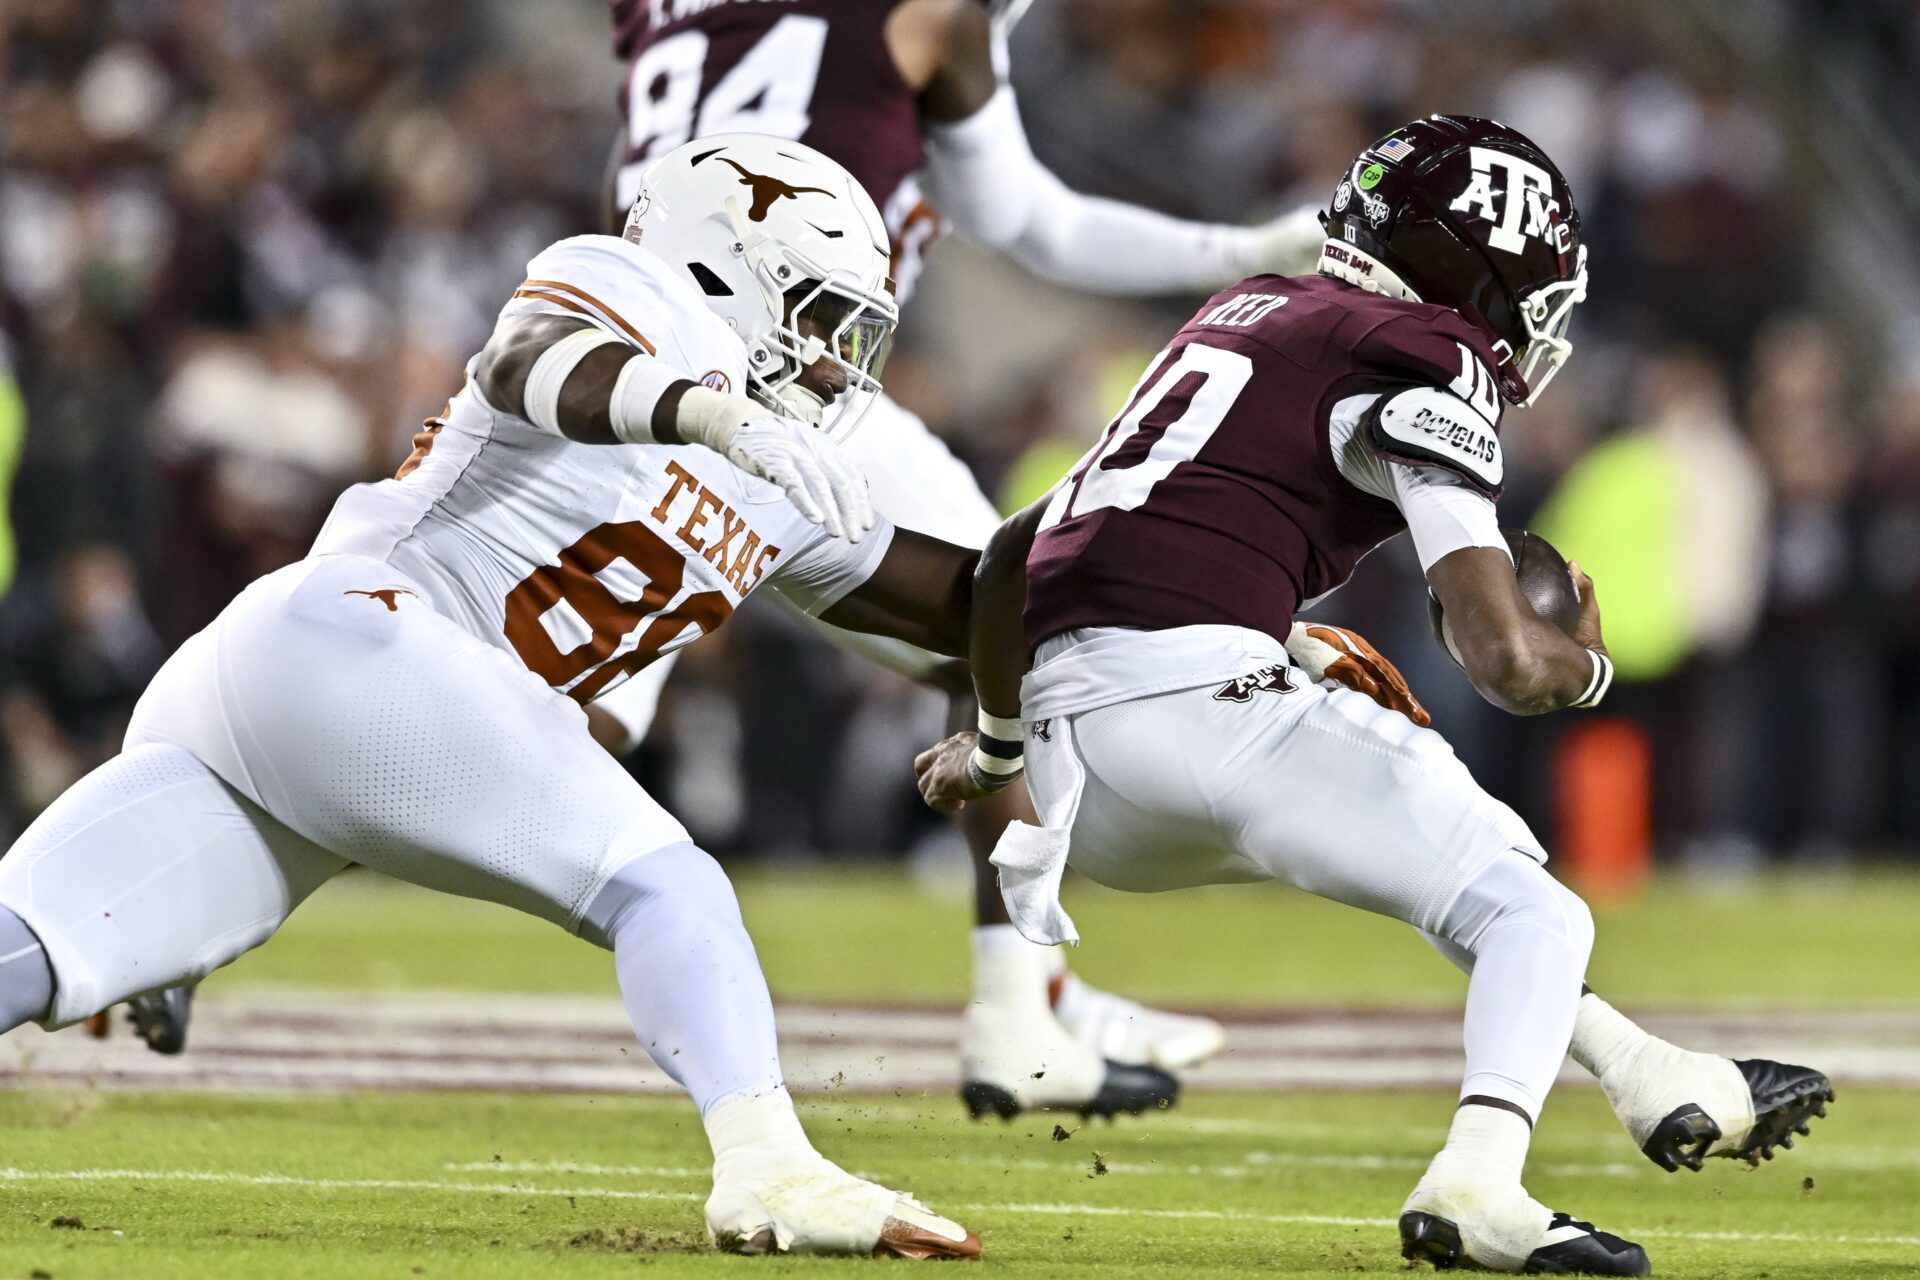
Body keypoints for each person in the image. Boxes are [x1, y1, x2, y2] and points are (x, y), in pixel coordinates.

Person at [0, 133, 986, 1261]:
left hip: (303, 690)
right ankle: (768, 1165)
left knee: (35, 943)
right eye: (815, 317)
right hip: (365, 636)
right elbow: (533, 358)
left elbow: (974, 610)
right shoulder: (647, 296)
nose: (831, 362)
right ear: (730, 265)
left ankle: (158, 956)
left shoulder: (788, 479)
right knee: (671, 885)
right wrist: (718, 414)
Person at [915, 116, 1832, 1274]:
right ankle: (1479, 1183)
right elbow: (1503, 658)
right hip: (1193, 717)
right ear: (1482, 272)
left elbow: (1022, 558)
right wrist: (1587, 664)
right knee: (1533, 908)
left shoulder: (1244, 309)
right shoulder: (1428, 354)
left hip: (1062, 772)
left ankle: (1655, 1074)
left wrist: (997, 744)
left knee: (1458, 884)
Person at [593, 0, 1341, 1117]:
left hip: (632, 357)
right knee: (1019, 630)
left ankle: (1035, 992)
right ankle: (1018, 1009)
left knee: (577, 687)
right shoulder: (923, 17)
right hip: (789, 385)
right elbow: (1032, 224)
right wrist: (1243, 254)